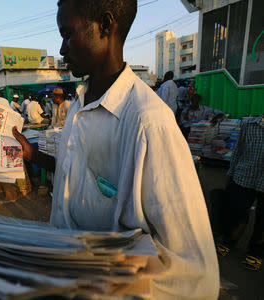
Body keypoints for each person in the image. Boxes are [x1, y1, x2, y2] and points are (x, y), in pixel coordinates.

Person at [12, 0, 219, 298]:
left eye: (68, 34)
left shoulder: (149, 123)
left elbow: (196, 274)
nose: (61, 49)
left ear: (106, 26)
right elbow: (74, 173)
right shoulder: (79, 106)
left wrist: (95, 288)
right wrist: (35, 157)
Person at [217, 116, 264, 270]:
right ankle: (229, 240)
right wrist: (230, 174)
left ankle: (256, 251)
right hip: (244, 176)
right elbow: (238, 151)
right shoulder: (249, 125)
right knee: (237, 210)